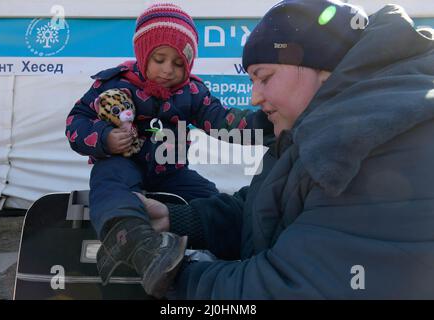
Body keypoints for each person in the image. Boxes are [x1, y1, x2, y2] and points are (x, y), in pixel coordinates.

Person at [136, 0, 434, 299]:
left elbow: (287, 287)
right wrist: (177, 218)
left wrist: (178, 276)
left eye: (264, 78)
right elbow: (266, 208)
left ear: (324, 69)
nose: (254, 97)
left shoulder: (379, 141)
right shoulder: (317, 133)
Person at [65, 3, 271, 298]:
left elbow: (222, 122)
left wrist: (268, 126)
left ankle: (238, 252)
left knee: (211, 197)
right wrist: (104, 137)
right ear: (142, 54)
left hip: (172, 169)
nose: (168, 70)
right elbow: (76, 122)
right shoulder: (114, 84)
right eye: (159, 59)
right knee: (109, 184)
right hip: (122, 163)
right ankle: (132, 239)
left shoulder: (192, 92)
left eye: (178, 63)